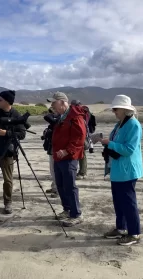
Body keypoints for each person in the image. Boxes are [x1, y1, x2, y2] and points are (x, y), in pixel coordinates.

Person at [98, 95, 143, 246]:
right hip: (118, 170)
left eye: (116, 109)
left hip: (127, 170)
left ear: (124, 110)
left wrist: (109, 144)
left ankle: (134, 233)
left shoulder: (133, 125)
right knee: (118, 201)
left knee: (128, 202)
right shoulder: (120, 124)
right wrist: (109, 144)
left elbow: (129, 149)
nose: (114, 112)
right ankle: (121, 228)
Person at [47, 92, 87, 227]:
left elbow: (79, 137)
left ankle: (76, 214)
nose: (52, 105)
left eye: (54, 103)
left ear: (63, 102)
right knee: (60, 184)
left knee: (70, 185)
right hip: (58, 156)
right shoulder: (62, 116)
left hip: (69, 157)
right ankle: (67, 209)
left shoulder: (74, 116)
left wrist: (67, 150)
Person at [70, 100, 97, 180]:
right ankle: (82, 172)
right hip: (85, 135)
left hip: (82, 136)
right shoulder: (85, 111)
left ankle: (82, 172)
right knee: (82, 154)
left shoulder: (81, 112)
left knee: (82, 154)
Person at [41, 108, 60, 198]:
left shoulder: (59, 119)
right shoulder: (57, 119)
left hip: (56, 149)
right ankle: (54, 187)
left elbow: (47, 117)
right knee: (52, 170)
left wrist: (54, 113)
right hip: (52, 148)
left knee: (55, 170)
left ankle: (57, 189)